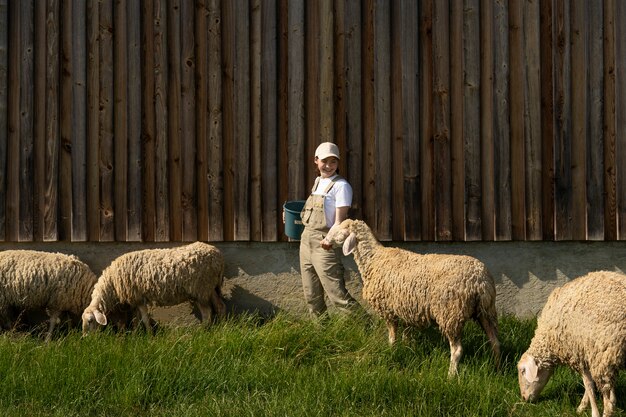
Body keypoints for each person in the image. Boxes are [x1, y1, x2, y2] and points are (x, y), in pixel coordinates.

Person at [297, 142, 362, 317]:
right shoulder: (318, 182)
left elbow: (340, 221)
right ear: (316, 161)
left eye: (333, 162)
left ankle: (366, 328)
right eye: (324, 161)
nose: (328, 166)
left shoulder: (341, 186)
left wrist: (329, 239)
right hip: (306, 243)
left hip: (324, 244)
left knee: (337, 296)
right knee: (312, 296)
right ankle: (321, 334)